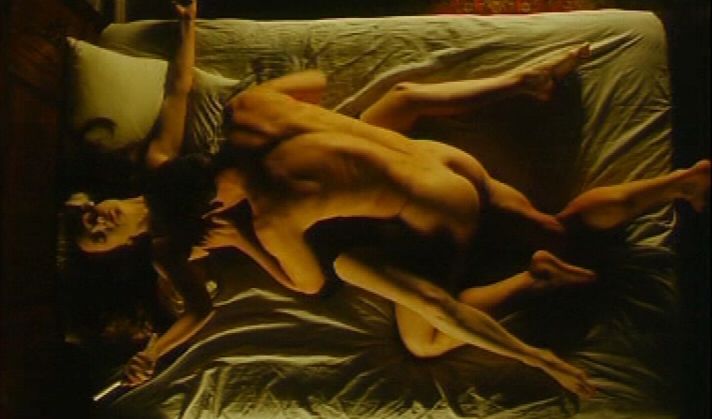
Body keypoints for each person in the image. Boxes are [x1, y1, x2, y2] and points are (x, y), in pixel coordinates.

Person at [68, 11, 710, 398]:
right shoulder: (248, 109)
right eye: (97, 234)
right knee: (545, 215)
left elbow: (310, 283)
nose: (99, 222)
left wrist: (242, 241)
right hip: (444, 161)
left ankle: (533, 279)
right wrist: (338, 148)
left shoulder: (268, 214)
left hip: (437, 206)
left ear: (209, 202)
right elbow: (315, 82)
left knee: (422, 339)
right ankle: (676, 182)